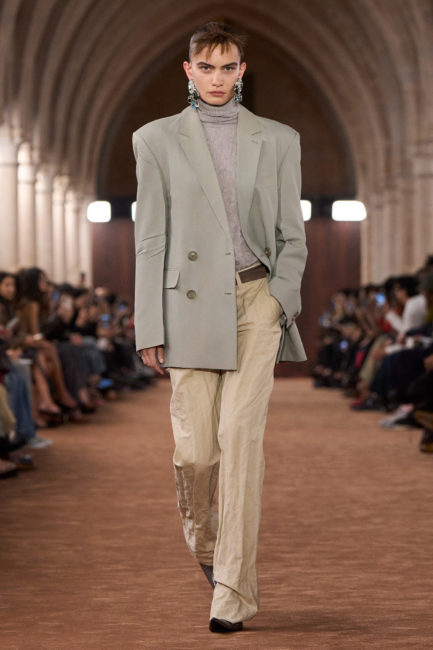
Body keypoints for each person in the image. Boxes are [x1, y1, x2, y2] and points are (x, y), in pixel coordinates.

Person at [132, 21, 307, 633]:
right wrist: (147, 323)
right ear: (188, 70)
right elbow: (150, 238)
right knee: (196, 454)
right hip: (187, 307)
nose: (217, 78)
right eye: (206, 67)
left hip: (257, 300)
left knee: (241, 442)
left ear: (241, 70)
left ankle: (232, 590)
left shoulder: (279, 139)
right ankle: (206, 544)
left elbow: (292, 234)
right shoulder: (154, 139)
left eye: (228, 67)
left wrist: (281, 299)